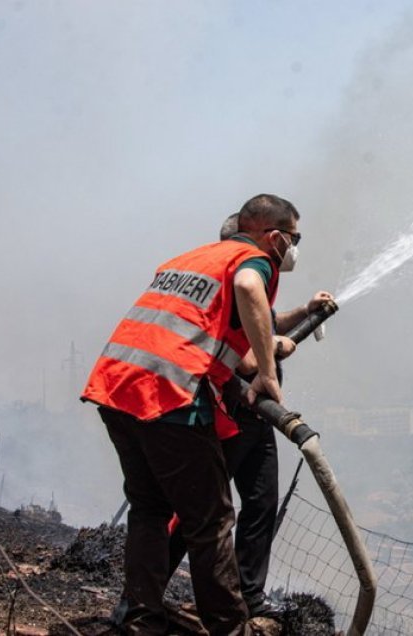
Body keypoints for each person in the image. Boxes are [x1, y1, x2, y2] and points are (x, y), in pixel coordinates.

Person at [82, 194, 301, 635]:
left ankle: (141, 619)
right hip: (168, 394)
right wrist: (269, 376)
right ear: (274, 236)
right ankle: (229, 629)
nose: (294, 248)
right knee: (213, 522)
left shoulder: (195, 257)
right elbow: (247, 289)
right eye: (294, 238)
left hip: (116, 385)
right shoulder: (254, 260)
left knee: (149, 507)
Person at [165, 212, 333, 618]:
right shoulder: (234, 281)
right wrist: (273, 351)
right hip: (227, 414)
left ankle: (249, 595)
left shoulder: (254, 288)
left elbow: (268, 321)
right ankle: (145, 594)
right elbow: (239, 358)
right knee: (203, 511)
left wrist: (306, 311)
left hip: (257, 418)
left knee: (260, 504)